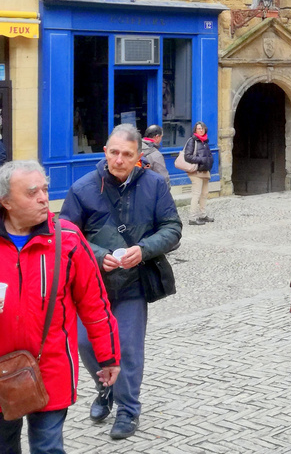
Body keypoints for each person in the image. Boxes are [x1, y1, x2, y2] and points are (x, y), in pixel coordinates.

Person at [60, 124, 181, 440]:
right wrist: (98, 255)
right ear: (105, 152)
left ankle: (128, 410)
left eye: (127, 154)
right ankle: (106, 388)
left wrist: (142, 250)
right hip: (90, 285)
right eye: (113, 152)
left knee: (126, 349)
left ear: (139, 157)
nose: (119, 159)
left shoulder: (155, 185)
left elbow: (172, 228)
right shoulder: (82, 188)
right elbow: (65, 236)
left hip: (132, 283)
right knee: (85, 343)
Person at [0, 160, 120, 454]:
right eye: (31, 192)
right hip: (0, 372)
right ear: (6, 202)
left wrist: (109, 356)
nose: (43, 198)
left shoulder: (66, 239)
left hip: (51, 368)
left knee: (47, 448)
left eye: (45, 189)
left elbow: (95, 304)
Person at [181, 121, 214, 226]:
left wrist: (209, 162)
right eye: (199, 128)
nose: (201, 130)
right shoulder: (192, 141)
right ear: (195, 130)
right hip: (196, 172)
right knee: (196, 194)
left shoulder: (205, 142)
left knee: (204, 194)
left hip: (205, 171)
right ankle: (192, 218)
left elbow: (209, 155)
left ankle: (202, 215)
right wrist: (201, 160)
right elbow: (187, 156)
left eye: (202, 129)